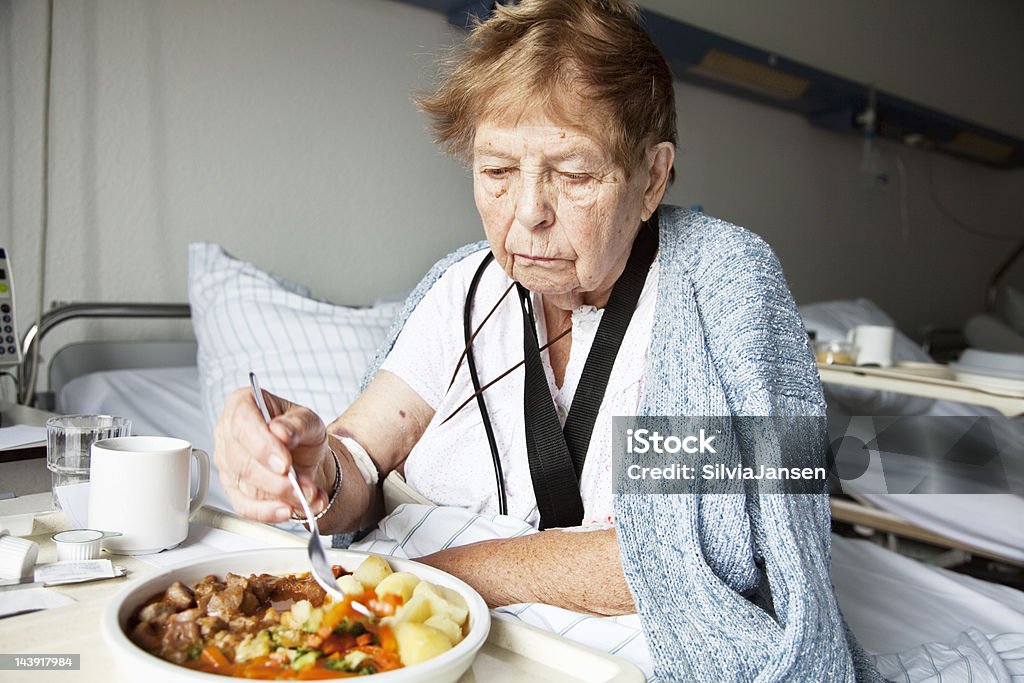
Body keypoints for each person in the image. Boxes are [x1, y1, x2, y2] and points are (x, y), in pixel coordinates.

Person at [214, 1, 880, 679]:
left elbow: (682, 550)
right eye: (497, 171)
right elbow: (359, 459)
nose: (528, 213)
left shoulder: (719, 285)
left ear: (651, 177)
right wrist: (310, 461)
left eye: (574, 174)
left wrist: (426, 579)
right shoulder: (464, 286)